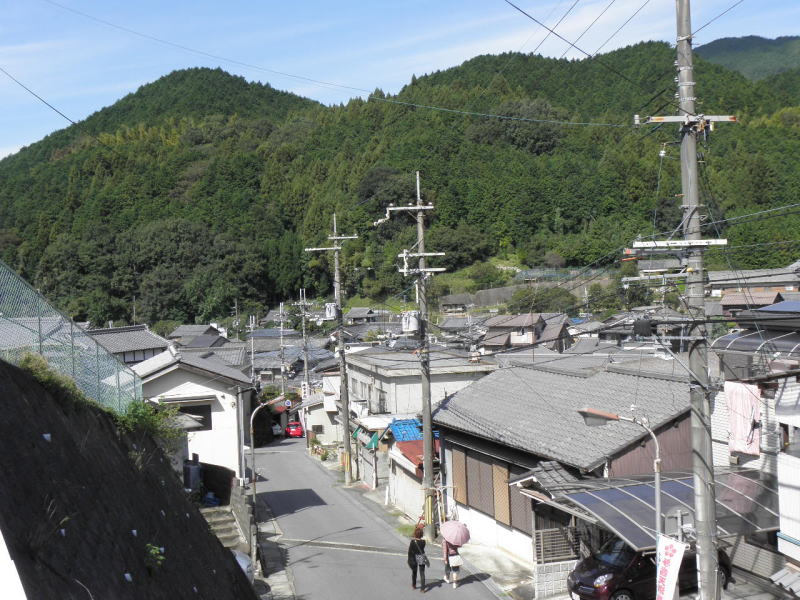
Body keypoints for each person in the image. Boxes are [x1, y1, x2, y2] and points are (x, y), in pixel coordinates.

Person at [407, 526, 427, 592]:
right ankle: (423, 588)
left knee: (414, 572)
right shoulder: (423, 542)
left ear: (415, 534)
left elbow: (410, 551)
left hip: (414, 557)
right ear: (421, 534)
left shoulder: (413, 542)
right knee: (422, 572)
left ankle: (414, 585)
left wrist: (409, 559)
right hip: (421, 556)